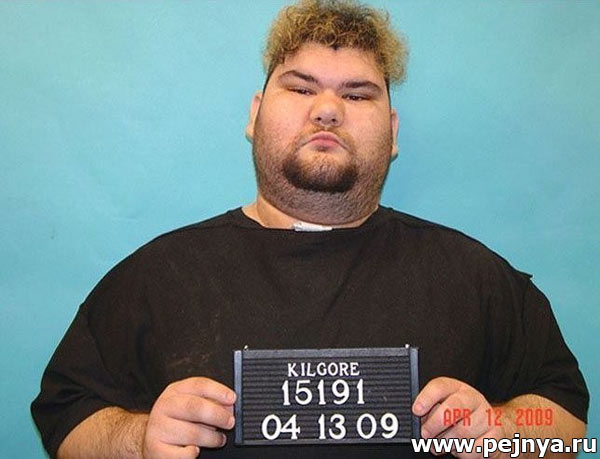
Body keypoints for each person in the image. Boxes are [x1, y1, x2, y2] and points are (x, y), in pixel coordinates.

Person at [32, 1, 589, 458]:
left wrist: (504, 431)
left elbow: (566, 422)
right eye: (300, 88)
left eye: (357, 94)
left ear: (393, 132)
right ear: (254, 116)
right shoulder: (158, 277)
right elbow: (65, 417)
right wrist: (137, 440)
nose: (327, 110)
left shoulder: (475, 278)